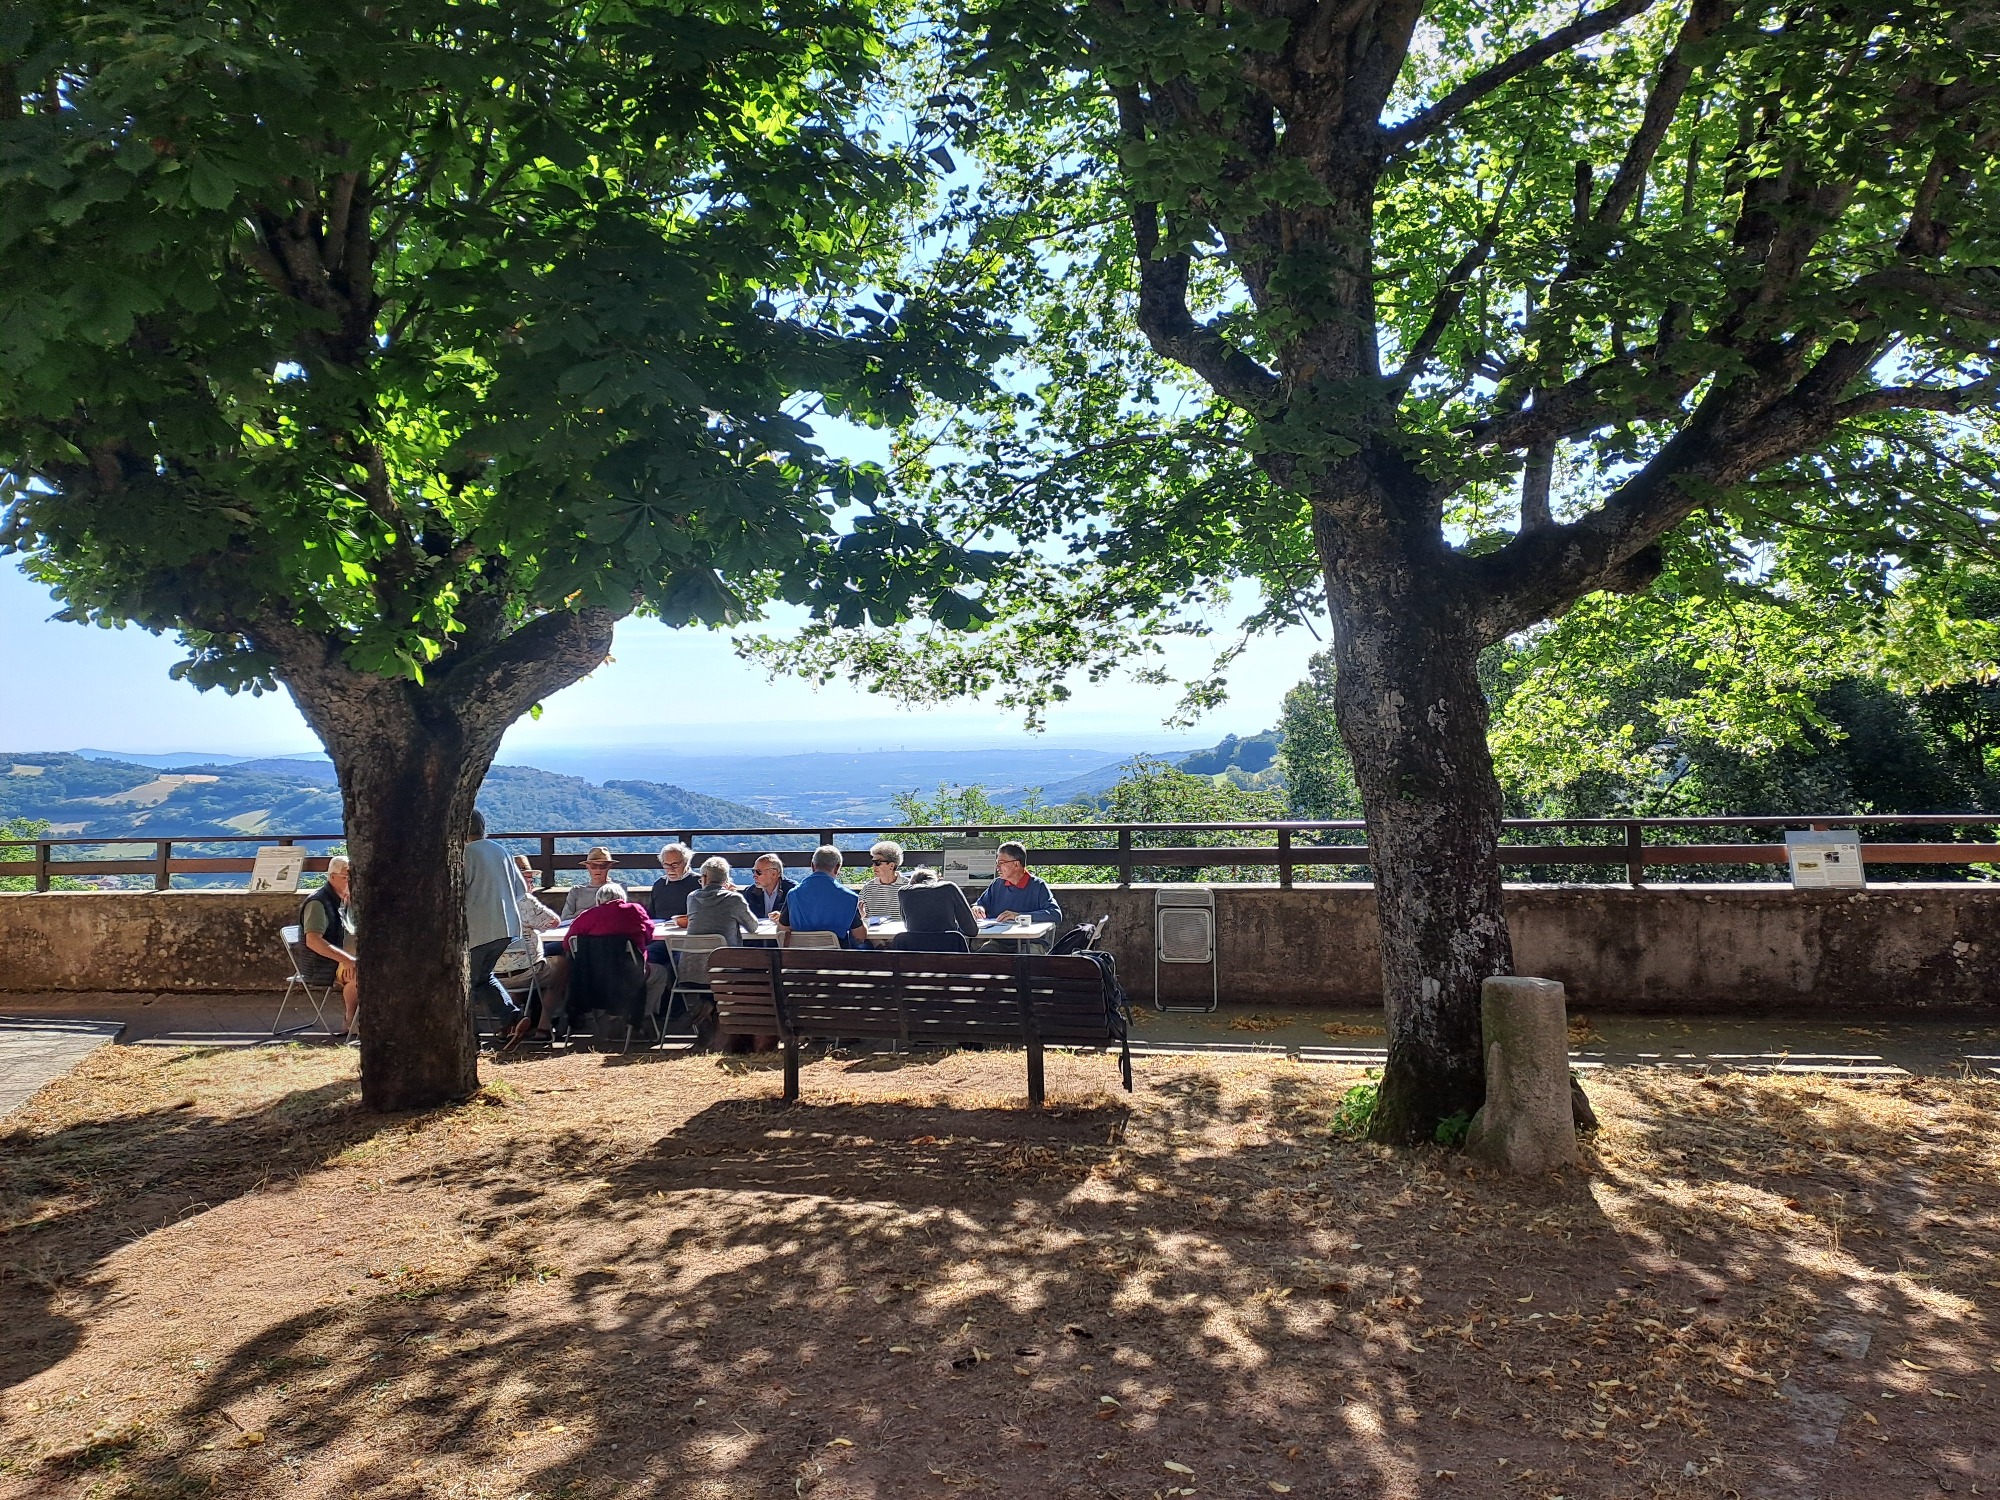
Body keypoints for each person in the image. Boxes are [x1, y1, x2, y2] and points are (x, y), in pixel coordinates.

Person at [463, 810, 523, 1029]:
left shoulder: (466, 854)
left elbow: (457, 890)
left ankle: (474, 1032)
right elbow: (520, 890)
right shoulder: (501, 850)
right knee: (481, 978)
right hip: (506, 928)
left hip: (479, 930)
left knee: (467, 983)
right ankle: (512, 1019)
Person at [299, 855, 359, 1038]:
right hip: (322, 962)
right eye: (346, 878)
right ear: (332, 877)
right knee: (360, 974)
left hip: (343, 956)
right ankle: (351, 1021)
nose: (350, 882)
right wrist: (347, 960)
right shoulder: (318, 903)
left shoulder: (345, 899)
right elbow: (313, 941)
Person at [777, 845, 866, 947]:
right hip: (836, 955)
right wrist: (862, 918)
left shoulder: (793, 894)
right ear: (837, 868)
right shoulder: (849, 898)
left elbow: (782, 930)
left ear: (812, 866)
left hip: (801, 954)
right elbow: (860, 936)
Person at [973, 841, 1062, 924]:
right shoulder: (997, 884)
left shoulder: (1038, 885)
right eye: (997, 863)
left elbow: (1055, 914)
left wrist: (1019, 916)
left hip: (1027, 936)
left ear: (1016, 864)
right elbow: (980, 904)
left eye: (1001, 863)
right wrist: (978, 908)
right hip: (996, 935)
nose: (997, 867)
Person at [685, 856, 761, 945]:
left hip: (694, 953)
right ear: (726, 880)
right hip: (724, 953)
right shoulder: (734, 899)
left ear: (704, 878)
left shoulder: (692, 897)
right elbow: (753, 927)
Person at [897, 866, 978, 939]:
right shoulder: (949, 888)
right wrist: (954, 929)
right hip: (948, 947)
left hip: (916, 948)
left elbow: (907, 925)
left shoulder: (904, 892)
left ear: (914, 883)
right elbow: (971, 930)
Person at [646, 843, 702, 924]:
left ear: (686, 862)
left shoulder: (699, 882)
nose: (670, 869)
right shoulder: (659, 884)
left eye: (675, 865)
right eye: (666, 865)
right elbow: (651, 915)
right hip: (661, 929)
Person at [857, 839, 910, 922]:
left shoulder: (907, 886)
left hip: (900, 929)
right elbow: (860, 915)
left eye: (877, 863)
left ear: (891, 866)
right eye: (873, 862)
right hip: (874, 930)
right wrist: (861, 914)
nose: (873, 866)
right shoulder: (868, 887)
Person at [560, 846, 618, 920]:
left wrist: (583, 913)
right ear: (587, 866)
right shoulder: (576, 890)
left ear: (609, 866)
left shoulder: (617, 889)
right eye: (594, 866)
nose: (598, 869)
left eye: (603, 866)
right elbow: (564, 919)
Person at [742, 853, 795, 920]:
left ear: (773, 874)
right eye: (753, 871)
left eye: (758, 872)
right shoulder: (750, 892)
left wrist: (783, 917)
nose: (754, 876)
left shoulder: (792, 891)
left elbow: (799, 915)